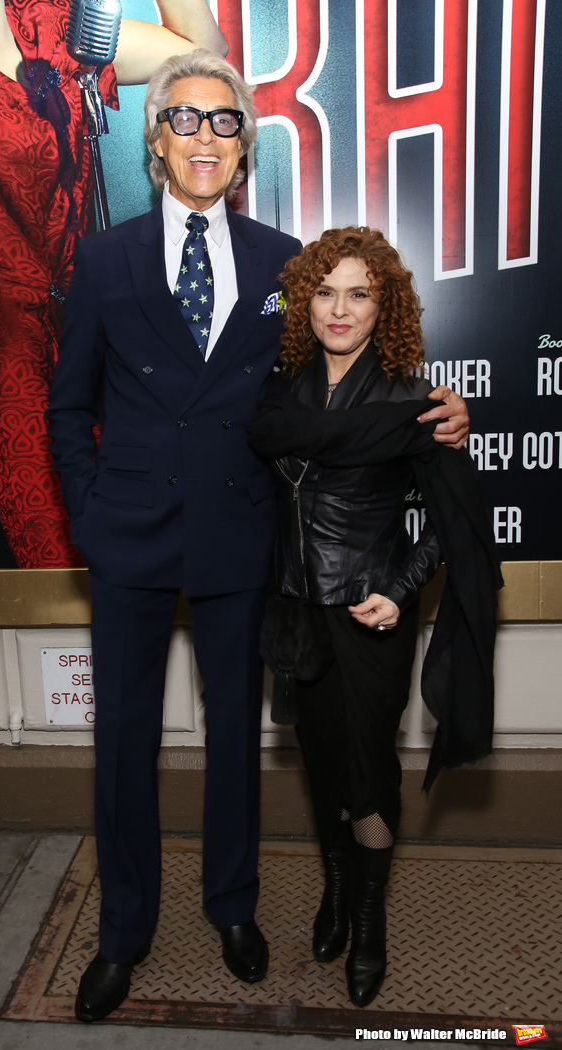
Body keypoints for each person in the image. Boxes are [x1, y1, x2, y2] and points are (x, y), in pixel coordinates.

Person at [46, 52, 470, 1022]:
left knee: (236, 735)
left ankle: (233, 910)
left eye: (225, 121)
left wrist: (435, 405)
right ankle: (123, 932)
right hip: (129, 535)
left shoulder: (285, 265)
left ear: (244, 148)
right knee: (123, 743)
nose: (206, 136)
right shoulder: (103, 260)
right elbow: (68, 404)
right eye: (186, 119)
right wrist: (87, 512)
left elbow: (335, 360)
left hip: (243, 537)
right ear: (156, 141)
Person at [247, 226, 501, 1009]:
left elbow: (456, 522)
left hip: (369, 617)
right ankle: (331, 893)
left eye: (359, 293)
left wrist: (401, 587)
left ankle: (368, 920)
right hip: (294, 610)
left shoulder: (409, 397)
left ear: (382, 304)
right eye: (324, 292)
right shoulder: (281, 390)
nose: (340, 308)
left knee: (369, 772)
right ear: (304, 303)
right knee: (320, 767)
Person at [0, 0, 226, 567]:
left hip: (103, 343)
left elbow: (203, 59)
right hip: (12, 354)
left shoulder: (50, 24)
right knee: (52, 574)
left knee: (150, 560)